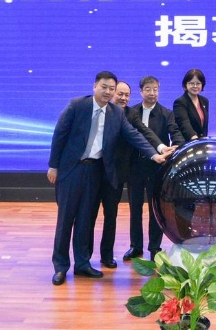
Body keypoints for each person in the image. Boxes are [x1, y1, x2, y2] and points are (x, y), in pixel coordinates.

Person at [47, 71, 172, 286]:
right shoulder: (77, 105)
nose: (108, 92)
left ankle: (82, 263)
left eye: (111, 89)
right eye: (104, 87)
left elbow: (135, 135)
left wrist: (155, 154)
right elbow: (59, 135)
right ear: (95, 86)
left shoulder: (116, 113)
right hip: (71, 170)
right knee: (66, 219)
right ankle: (60, 266)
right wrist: (53, 166)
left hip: (95, 171)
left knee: (85, 219)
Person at [91, 80, 164, 269]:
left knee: (111, 215)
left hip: (117, 173)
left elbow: (143, 133)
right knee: (88, 216)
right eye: (120, 94)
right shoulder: (95, 110)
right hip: (93, 171)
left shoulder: (130, 114)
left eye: (126, 95)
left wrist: (159, 149)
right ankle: (83, 259)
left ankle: (107, 256)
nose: (123, 98)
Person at [123, 75, 185, 261]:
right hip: (134, 167)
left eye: (155, 89)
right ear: (141, 91)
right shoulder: (131, 112)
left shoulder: (166, 113)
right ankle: (135, 246)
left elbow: (175, 133)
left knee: (155, 209)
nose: (152, 93)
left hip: (156, 167)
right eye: (148, 89)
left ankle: (155, 247)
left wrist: (177, 146)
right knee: (135, 208)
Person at [172, 68, 209, 141]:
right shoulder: (180, 102)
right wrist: (195, 140)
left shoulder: (205, 101)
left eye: (198, 83)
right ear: (185, 84)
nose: (195, 86)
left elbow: (204, 127)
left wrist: (203, 142)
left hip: (201, 143)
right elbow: (184, 124)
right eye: (191, 83)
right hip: (186, 143)